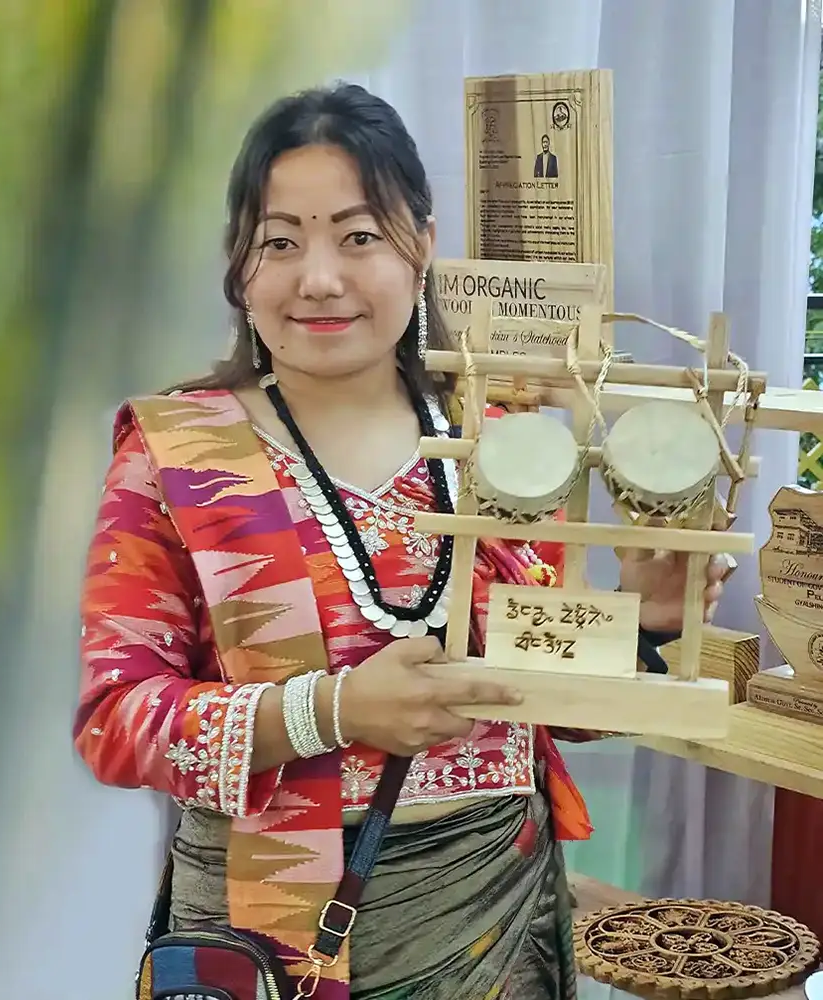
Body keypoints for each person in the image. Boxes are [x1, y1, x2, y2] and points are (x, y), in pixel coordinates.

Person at [72, 83, 730, 1000]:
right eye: (280, 241)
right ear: (240, 267)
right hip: (271, 941)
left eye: (358, 235)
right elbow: (117, 723)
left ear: (419, 245)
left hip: (488, 922)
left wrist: (641, 633)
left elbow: (539, 700)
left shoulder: (506, 443)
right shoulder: (178, 453)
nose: (319, 277)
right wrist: (333, 711)